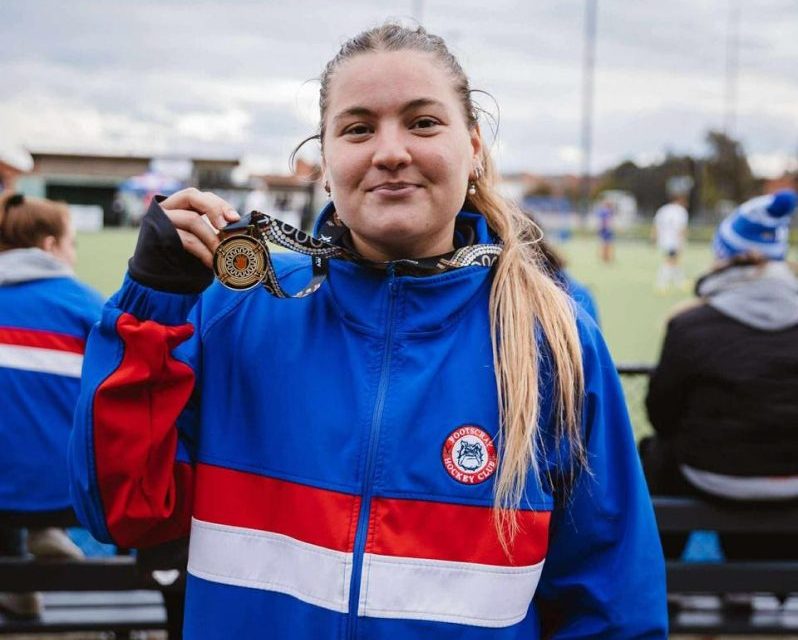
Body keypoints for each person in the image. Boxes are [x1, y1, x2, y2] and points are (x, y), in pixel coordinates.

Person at [69, 24, 666, 638]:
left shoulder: (554, 339)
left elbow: (613, 605)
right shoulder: (231, 311)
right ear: (325, 162)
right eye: (357, 128)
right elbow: (120, 512)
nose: (389, 151)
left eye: (423, 123)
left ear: (476, 146)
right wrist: (149, 309)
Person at [643, 189, 798, 559]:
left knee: (655, 454)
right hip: (793, 478)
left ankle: (664, 572)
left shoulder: (691, 324)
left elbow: (661, 415)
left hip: (711, 474)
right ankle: (750, 583)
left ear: (723, 256)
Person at [0, 193, 104, 617]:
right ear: (48, 246)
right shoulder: (87, 305)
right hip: (69, 496)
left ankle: (17, 578)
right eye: (71, 242)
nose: (73, 253)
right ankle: (44, 531)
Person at [652, 180, 690, 292]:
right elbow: (682, 229)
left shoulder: (663, 209)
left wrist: (654, 239)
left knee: (674, 261)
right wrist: (682, 242)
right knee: (670, 261)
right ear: (681, 199)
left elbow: (656, 225)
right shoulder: (681, 211)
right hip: (674, 241)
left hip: (664, 240)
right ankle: (661, 284)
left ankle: (680, 282)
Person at [595, 199, 615, 264]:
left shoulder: (605, 211)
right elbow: (605, 221)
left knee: (605, 244)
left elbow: (604, 221)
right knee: (607, 244)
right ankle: (606, 258)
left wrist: (600, 228)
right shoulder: (607, 211)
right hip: (607, 229)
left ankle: (605, 257)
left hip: (605, 229)